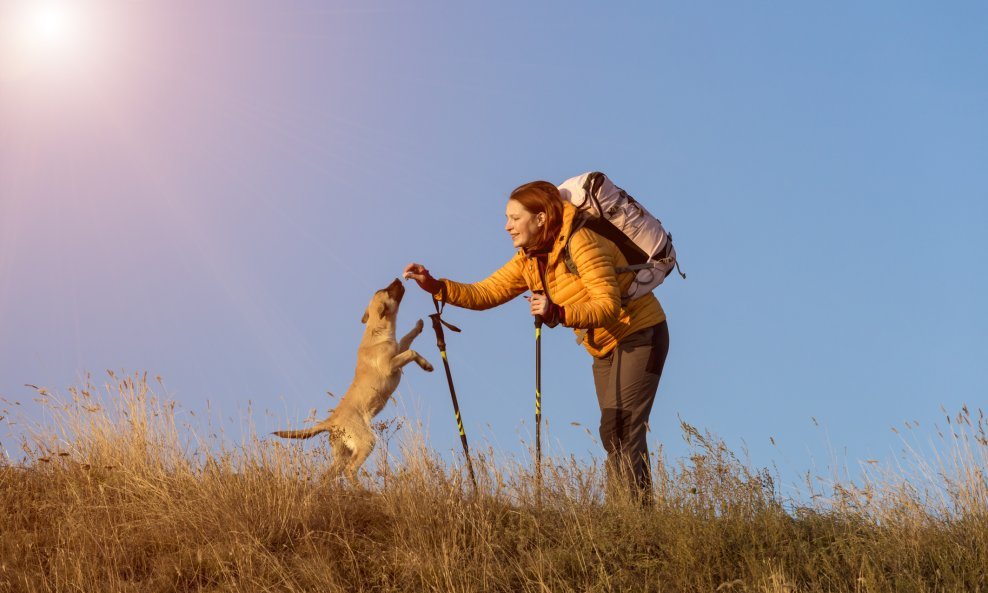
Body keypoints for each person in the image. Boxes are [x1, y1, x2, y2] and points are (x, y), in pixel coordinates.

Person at [403, 180, 669, 503]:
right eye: (507, 218)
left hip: (641, 333)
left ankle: (637, 520)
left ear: (540, 218)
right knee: (612, 431)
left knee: (624, 427)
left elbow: (608, 305)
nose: (507, 226)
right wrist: (435, 285)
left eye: (515, 218)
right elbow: (486, 292)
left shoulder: (581, 241)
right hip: (603, 346)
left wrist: (557, 312)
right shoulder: (531, 259)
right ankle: (626, 515)